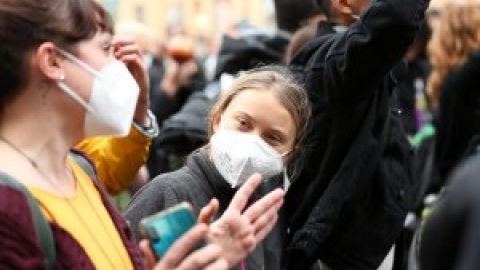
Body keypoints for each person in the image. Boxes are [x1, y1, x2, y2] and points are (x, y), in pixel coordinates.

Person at [0, 0, 284, 269]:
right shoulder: (8, 210)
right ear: (52, 62)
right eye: (107, 48)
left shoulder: (79, 170)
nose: (122, 65)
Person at [283, 0, 430, 269]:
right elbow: (397, 17)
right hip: (341, 256)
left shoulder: (360, 63)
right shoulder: (335, 60)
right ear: (343, 4)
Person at [125, 65, 311, 270]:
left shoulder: (266, 214)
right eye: (243, 123)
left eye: (273, 138)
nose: (253, 143)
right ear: (217, 121)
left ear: (289, 154)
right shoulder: (168, 192)